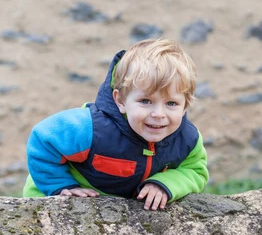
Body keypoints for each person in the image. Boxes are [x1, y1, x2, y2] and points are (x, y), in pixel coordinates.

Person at [23, 38, 208, 210]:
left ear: (185, 106)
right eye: (145, 101)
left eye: (171, 103)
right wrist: (60, 186)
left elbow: (195, 170)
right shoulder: (92, 128)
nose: (158, 114)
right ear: (120, 100)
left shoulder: (187, 139)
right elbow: (43, 139)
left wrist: (166, 183)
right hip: (59, 200)